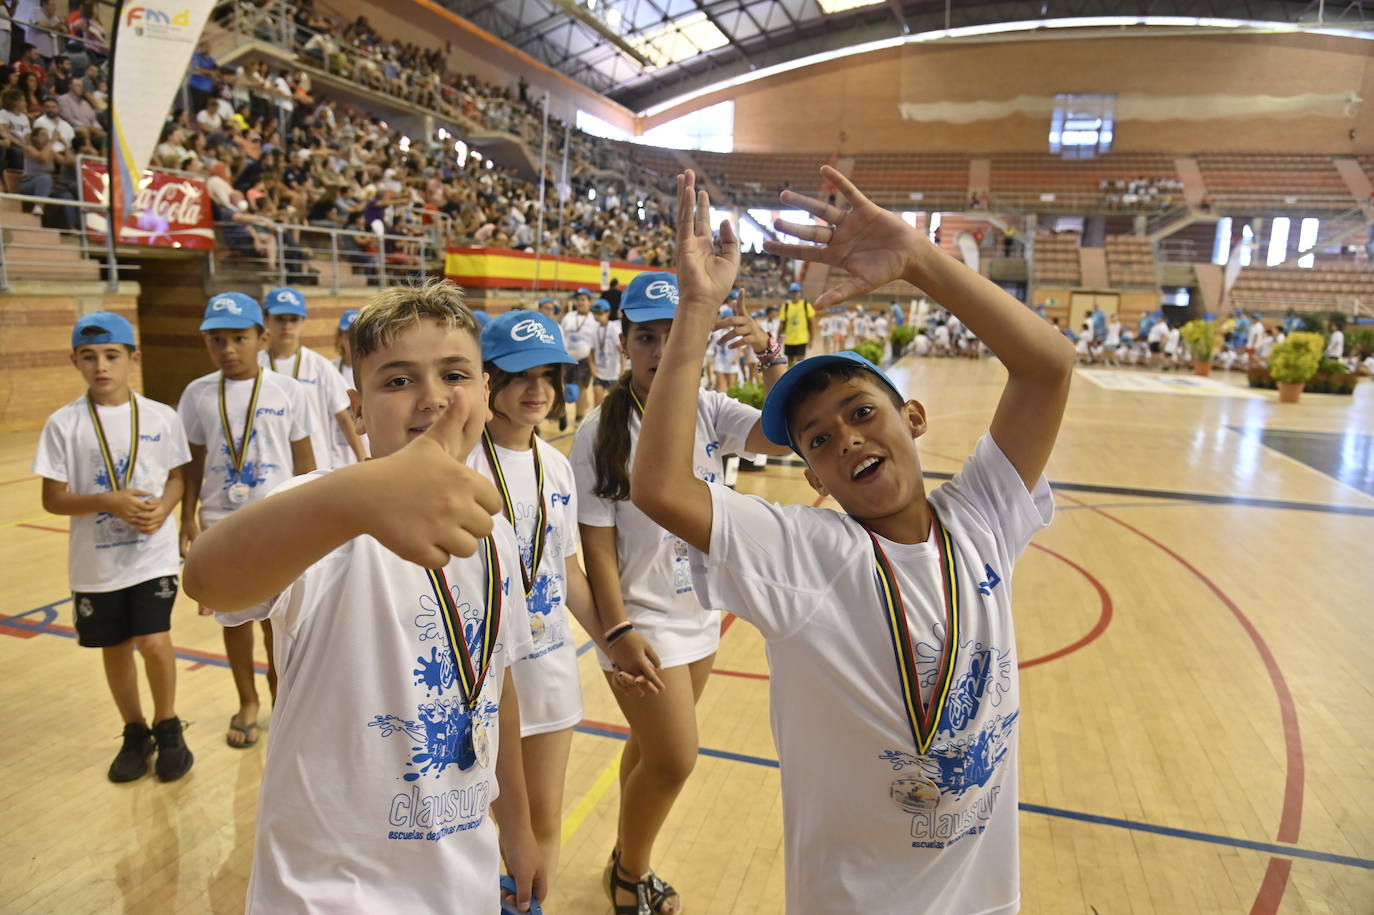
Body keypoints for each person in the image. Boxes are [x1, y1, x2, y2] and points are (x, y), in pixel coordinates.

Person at [633, 167, 1072, 914]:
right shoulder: (805, 553)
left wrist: (921, 260)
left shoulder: (981, 519)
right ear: (814, 478)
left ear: (917, 419)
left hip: (985, 901)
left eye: (864, 412)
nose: (847, 438)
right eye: (819, 439)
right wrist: (697, 314)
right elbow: (662, 488)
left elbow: (1048, 366)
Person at [182, 281, 545, 913]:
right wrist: (354, 497)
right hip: (325, 886)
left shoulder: (496, 529)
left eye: (454, 374)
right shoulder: (321, 510)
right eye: (397, 380)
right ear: (356, 409)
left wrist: (518, 826)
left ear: (485, 394)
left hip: (461, 870)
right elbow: (207, 581)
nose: (432, 398)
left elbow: (499, 687)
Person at [570, 271, 791, 915]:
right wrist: (616, 634)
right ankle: (630, 875)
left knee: (647, 751)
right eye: (648, 337)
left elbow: (780, 435)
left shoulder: (708, 410)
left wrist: (771, 355)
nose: (663, 350)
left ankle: (622, 853)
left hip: (699, 614)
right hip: (639, 624)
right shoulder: (598, 432)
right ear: (624, 344)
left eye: (678, 336)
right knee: (675, 761)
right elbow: (596, 547)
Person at [469, 309, 639, 899]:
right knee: (480, 829)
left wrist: (614, 641)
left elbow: (567, 572)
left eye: (548, 375)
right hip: (480, 677)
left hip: (548, 669)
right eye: (520, 376)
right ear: (485, 380)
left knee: (543, 819)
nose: (538, 390)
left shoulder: (558, 466)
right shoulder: (457, 464)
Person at [32, 312, 195, 783]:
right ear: (75, 362)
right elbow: (52, 498)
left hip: (152, 554)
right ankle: (133, 730)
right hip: (97, 564)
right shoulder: (64, 425)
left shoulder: (160, 416)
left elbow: (178, 477)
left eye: (111, 356)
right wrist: (108, 501)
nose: (101, 366)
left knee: (153, 640)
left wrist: (164, 509)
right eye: (89, 357)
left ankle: (168, 726)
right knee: (117, 646)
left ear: (132, 359)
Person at [177, 292, 316, 750]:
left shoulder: (290, 392)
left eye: (240, 338)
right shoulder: (196, 393)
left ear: (262, 338)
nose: (229, 349)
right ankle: (247, 700)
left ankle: (283, 699)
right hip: (220, 525)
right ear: (205, 343)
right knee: (233, 622)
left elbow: (305, 463)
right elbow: (192, 465)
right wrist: (187, 521)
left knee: (280, 622)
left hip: (278, 526)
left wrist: (313, 526)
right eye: (217, 340)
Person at [257, 287, 366, 470]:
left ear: (303, 322)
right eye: (280, 319)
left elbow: (344, 418)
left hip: (316, 464)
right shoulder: (256, 365)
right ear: (266, 319)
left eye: (293, 319)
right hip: (270, 465)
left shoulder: (319, 366)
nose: (287, 326)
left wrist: (362, 458)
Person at [560, 288, 596, 423]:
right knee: (562, 386)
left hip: (584, 360)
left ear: (589, 302)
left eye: (583, 300)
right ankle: (561, 414)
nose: (580, 302)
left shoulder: (594, 320)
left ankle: (579, 417)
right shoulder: (568, 317)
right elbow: (562, 334)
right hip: (567, 359)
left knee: (580, 388)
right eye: (578, 300)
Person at [590, 298, 622, 406]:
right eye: (595, 313)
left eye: (600, 313)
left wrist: (621, 373)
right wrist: (592, 368)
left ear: (608, 313)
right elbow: (591, 352)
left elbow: (622, 352)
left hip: (613, 374)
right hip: (599, 373)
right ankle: (598, 423)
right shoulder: (594, 329)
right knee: (597, 402)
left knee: (614, 404)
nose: (597, 316)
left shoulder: (614, 328)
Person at [780, 281, 817, 364]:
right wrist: (778, 337)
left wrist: (811, 339)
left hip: (802, 339)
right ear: (790, 293)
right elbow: (782, 323)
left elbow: (811, 323)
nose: (795, 294)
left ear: (800, 293)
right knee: (789, 362)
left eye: (796, 292)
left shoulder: (805, 305)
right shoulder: (786, 306)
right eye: (793, 292)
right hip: (789, 339)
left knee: (800, 361)